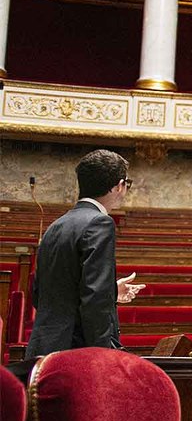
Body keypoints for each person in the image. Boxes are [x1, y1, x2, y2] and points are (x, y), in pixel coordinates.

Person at [28, 149, 143, 358]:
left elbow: (42, 293)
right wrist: (101, 356)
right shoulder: (100, 223)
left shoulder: (56, 224)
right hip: (77, 352)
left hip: (44, 349)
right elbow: (94, 301)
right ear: (119, 186)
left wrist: (112, 291)